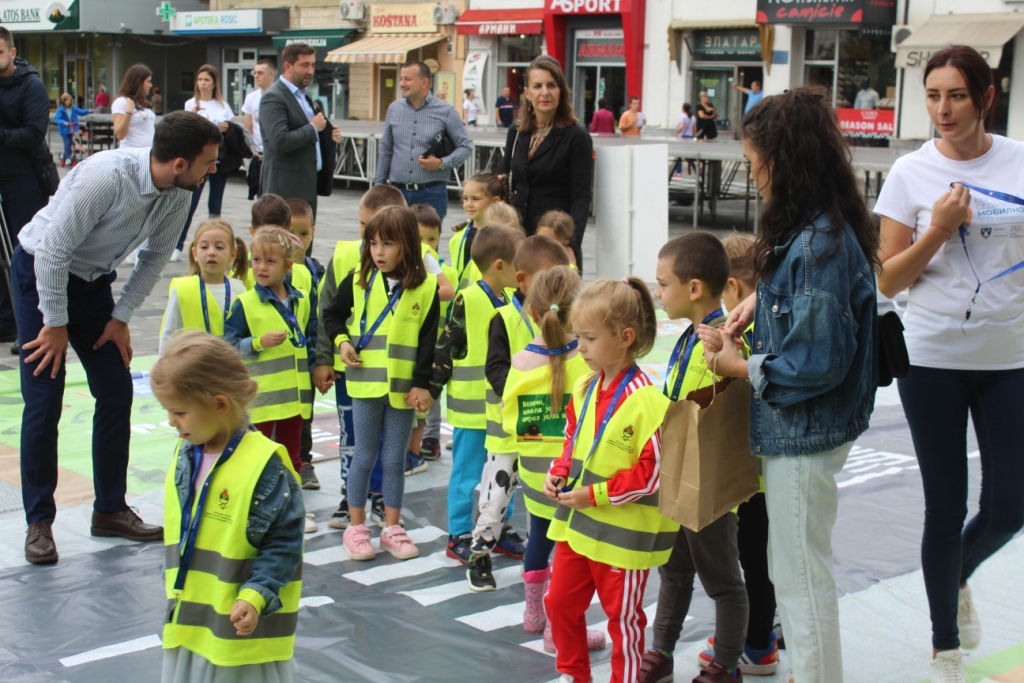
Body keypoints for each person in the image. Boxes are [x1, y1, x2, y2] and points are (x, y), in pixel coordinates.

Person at [699, 85, 879, 683]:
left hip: (804, 431)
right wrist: (761, 299)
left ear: (782, 160)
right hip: (806, 428)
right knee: (796, 571)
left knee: (800, 580)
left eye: (753, 162)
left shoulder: (817, 242)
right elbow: (814, 312)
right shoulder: (820, 226)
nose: (752, 175)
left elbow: (816, 362)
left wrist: (738, 367)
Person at [873, 45, 1024, 683]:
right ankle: (945, 649)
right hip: (932, 358)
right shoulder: (910, 173)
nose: (943, 109)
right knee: (945, 505)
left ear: (986, 97)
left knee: (1011, 504)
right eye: (933, 95)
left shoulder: (1018, 160)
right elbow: (886, 280)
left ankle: (956, 572)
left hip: (1010, 358)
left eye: (957, 95)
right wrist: (937, 229)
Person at [14, 111, 221, 565]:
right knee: (44, 398)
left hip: (91, 283)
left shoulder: (180, 192)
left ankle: (109, 509)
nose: (214, 168)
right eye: (209, 161)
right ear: (180, 163)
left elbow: (154, 258)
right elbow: (52, 252)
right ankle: (39, 522)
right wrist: (55, 322)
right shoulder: (105, 177)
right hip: (40, 272)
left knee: (115, 389)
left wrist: (121, 317)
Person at [543, 277, 675, 683]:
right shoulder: (586, 386)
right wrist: (558, 471)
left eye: (589, 338)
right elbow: (572, 439)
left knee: (623, 621)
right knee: (559, 603)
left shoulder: (648, 400)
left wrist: (596, 494)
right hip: (579, 527)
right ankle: (574, 674)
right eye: (578, 336)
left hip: (622, 538)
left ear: (625, 338)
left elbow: (651, 475)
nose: (579, 347)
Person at [151, 331, 304, 683]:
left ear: (219, 404)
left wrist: (255, 595)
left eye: (179, 412)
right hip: (190, 625)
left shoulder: (264, 464)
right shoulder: (186, 453)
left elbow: (284, 542)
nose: (172, 421)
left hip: (240, 633)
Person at [640, 233, 747, 683]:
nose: (658, 293)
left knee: (722, 578)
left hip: (709, 482)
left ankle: (726, 663)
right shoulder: (690, 335)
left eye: (663, 285)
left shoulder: (727, 338)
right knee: (674, 569)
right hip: (678, 474)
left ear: (695, 288)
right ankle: (661, 651)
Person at [322, 206, 439, 561]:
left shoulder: (427, 288)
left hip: (403, 391)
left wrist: (423, 386)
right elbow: (331, 314)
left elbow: (429, 342)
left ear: (407, 244)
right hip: (365, 387)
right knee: (364, 455)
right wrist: (341, 341)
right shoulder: (358, 280)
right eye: (373, 243)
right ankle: (356, 528)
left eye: (387, 243)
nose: (378, 251)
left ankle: (392, 527)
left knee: (394, 459)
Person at [696, 232, 780, 677]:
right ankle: (765, 627)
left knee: (755, 558)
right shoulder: (773, 322)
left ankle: (758, 644)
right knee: (765, 555)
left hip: (757, 475)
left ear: (733, 287)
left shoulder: (746, 335)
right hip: (769, 469)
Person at [429, 225, 525, 563]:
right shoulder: (467, 299)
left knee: (506, 473)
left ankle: (499, 527)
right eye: (518, 264)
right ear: (500, 265)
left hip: (502, 411)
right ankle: (458, 533)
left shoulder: (514, 302)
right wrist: (429, 390)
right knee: (467, 474)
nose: (522, 271)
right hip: (471, 413)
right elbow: (445, 348)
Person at [315, 185, 407, 531]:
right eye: (363, 225)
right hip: (350, 370)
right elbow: (327, 310)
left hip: (394, 375)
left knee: (388, 443)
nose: (369, 236)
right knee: (352, 437)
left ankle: (381, 496)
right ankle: (350, 495)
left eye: (380, 231)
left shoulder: (415, 269)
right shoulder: (344, 256)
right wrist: (324, 358)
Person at [224, 227, 312, 476]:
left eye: (270, 261)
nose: (261, 267)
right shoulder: (245, 304)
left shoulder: (301, 300)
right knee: (258, 460)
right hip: (262, 401)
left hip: (294, 400)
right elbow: (228, 345)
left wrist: (318, 369)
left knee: (292, 458)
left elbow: (310, 339)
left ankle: (293, 498)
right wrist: (257, 342)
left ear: (287, 266)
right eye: (256, 260)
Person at [503, 56, 594, 268]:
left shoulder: (576, 137)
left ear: (561, 91)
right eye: (537, 86)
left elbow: (581, 197)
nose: (545, 92)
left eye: (551, 85)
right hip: (518, 238)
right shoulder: (516, 131)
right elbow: (505, 175)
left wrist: (571, 245)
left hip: (556, 241)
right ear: (527, 93)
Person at [0, 27, 51, 345]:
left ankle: (30, 325)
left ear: (12, 52)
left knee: (26, 254)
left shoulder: (31, 85)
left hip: (24, 180)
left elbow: (34, 132)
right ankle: (6, 321)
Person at [374, 61, 472, 221]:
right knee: (396, 236)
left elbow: (465, 147)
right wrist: (378, 187)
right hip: (397, 193)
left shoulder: (446, 111)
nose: (402, 84)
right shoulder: (394, 109)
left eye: (407, 79)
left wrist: (441, 163)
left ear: (424, 82)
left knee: (427, 238)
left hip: (431, 193)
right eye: (401, 79)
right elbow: (386, 149)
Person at [260, 44, 341, 224]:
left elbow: (313, 132)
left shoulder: (305, 96)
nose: (310, 71)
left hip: (308, 186)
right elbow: (280, 140)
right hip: (284, 190)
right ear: (287, 66)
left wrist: (328, 136)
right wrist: (313, 128)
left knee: (305, 239)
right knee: (282, 239)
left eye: (313, 65)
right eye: (304, 65)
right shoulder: (273, 97)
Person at [410, 202, 458, 469]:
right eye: (419, 239)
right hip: (410, 344)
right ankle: (412, 440)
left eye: (431, 239)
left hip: (437, 344)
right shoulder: (404, 270)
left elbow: (452, 309)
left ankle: (431, 437)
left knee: (433, 391)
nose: (426, 245)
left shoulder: (446, 275)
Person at [284, 197, 325, 495]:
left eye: (304, 234)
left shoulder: (316, 270)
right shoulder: (272, 269)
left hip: (307, 356)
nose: (297, 241)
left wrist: (321, 359)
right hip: (278, 358)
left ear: (313, 232)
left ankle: (305, 460)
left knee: (305, 412)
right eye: (290, 234)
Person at [159, 218, 247, 354]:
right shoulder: (182, 289)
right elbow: (169, 334)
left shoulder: (239, 290)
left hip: (228, 364)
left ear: (232, 254)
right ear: (194, 253)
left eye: (219, 247)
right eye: (204, 247)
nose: (211, 252)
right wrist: (164, 364)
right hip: (191, 363)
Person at [174, 64, 235, 262]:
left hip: (218, 160)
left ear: (214, 83)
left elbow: (232, 130)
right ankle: (177, 245)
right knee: (189, 204)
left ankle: (216, 245)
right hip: (196, 161)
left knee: (215, 205)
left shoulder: (223, 106)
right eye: (200, 80)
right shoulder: (190, 104)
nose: (203, 84)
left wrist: (226, 128)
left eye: (207, 80)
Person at [449, 172, 505, 292]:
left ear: (495, 201)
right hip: (460, 297)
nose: (469, 204)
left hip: (485, 298)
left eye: (475, 199)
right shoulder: (459, 234)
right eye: (465, 198)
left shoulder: (500, 238)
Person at [243, 59, 276, 200]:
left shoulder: (279, 95)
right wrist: (252, 150)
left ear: (271, 75)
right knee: (260, 197)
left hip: (275, 154)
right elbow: (248, 127)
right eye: (255, 73)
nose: (256, 76)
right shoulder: (251, 98)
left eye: (260, 73)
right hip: (258, 154)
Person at [111, 64, 156, 150]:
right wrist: (128, 112)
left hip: (148, 153)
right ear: (138, 83)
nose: (151, 85)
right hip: (131, 152)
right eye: (148, 81)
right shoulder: (122, 102)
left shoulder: (142, 103)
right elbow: (120, 134)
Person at [54, 93, 90, 167]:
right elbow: (57, 118)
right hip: (64, 129)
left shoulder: (73, 108)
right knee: (67, 143)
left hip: (72, 128)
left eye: (69, 100)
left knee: (71, 143)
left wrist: (89, 111)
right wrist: (63, 122)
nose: (68, 102)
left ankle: (64, 155)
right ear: (63, 101)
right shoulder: (60, 109)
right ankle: (68, 157)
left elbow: (81, 112)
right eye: (66, 101)